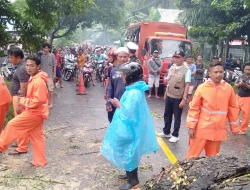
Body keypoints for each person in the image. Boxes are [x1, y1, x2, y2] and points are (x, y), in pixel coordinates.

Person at [101, 62, 158, 190]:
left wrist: (118, 104)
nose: (122, 77)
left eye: (124, 75)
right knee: (127, 152)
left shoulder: (134, 93)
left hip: (130, 129)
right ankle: (129, 176)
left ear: (130, 76)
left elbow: (129, 113)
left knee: (130, 152)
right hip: (128, 128)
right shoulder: (133, 89)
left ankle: (134, 181)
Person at [0, 55, 49, 166]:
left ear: (38, 66)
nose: (29, 68)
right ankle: (40, 161)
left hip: (34, 112)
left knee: (12, 125)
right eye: (27, 65)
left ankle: (1, 146)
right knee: (37, 138)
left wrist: (22, 101)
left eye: (32, 66)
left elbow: (38, 101)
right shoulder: (34, 78)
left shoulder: (38, 81)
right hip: (38, 113)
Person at [186, 62, 239, 159]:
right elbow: (194, 107)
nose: (219, 74)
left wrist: (234, 127)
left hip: (218, 130)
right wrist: (191, 126)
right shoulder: (202, 88)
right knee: (192, 157)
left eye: (221, 72)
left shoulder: (228, 89)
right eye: (216, 72)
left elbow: (233, 108)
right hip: (202, 129)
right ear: (210, 73)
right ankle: (185, 174)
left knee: (213, 159)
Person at [157, 51, 191, 143]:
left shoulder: (186, 70)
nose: (175, 58)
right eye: (174, 57)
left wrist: (184, 99)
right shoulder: (172, 67)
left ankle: (175, 135)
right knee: (167, 115)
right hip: (169, 95)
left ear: (183, 58)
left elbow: (187, 85)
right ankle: (166, 131)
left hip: (178, 97)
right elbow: (169, 80)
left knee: (177, 117)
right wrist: (165, 92)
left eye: (178, 57)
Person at [8, 47, 30, 155]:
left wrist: (19, 103)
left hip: (19, 97)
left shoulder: (21, 69)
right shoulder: (21, 66)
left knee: (20, 122)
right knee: (20, 121)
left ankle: (22, 147)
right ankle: (21, 141)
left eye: (11, 57)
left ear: (18, 58)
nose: (9, 59)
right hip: (18, 97)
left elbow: (23, 87)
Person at [106, 47, 129, 123]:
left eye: (125, 57)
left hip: (128, 103)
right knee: (114, 122)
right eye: (120, 57)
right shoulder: (113, 71)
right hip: (116, 102)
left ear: (128, 57)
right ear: (117, 57)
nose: (122, 59)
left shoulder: (132, 70)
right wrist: (109, 100)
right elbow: (110, 87)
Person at [235, 63, 250, 134]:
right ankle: (235, 128)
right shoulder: (240, 76)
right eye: (246, 69)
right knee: (234, 113)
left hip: (247, 98)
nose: (247, 71)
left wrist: (246, 85)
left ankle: (242, 130)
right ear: (243, 69)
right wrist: (240, 84)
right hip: (238, 96)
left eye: (249, 69)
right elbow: (235, 85)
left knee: (246, 115)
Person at [41, 43, 56, 108]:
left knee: (51, 90)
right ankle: (46, 102)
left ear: (49, 49)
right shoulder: (42, 56)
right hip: (43, 76)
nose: (45, 49)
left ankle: (51, 103)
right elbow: (41, 66)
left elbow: (54, 65)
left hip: (50, 75)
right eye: (44, 48)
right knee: (44, 90)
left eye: (47, 48)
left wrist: (54, 74)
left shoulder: (52, 56)